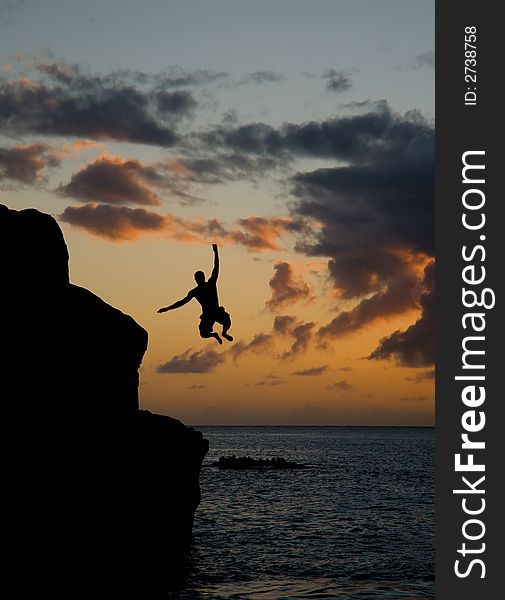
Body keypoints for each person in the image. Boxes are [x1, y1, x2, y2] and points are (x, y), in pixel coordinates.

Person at [157, 244, 233, 345]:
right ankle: (214, 335)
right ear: (195, 280)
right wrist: (167, 309)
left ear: (203, 278)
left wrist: (216, 252)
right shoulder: (195, 291)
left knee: (227, 320)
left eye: (199, 278)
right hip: (207, 315)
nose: (198, 280)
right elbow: (181, 302)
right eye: (197, 279)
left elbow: (216, 268)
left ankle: (224, 333)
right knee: (203, 334)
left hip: (216, 311)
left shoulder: (211, 283)